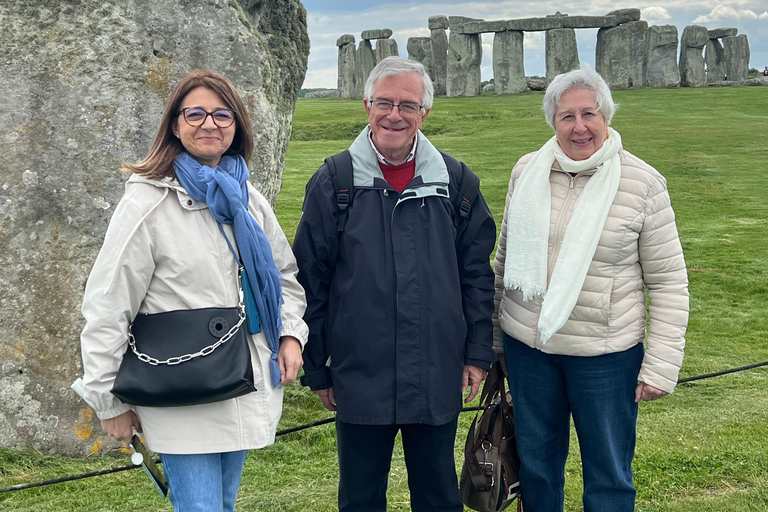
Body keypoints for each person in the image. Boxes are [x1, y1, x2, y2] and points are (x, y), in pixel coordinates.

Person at [79, 69, 308, 512]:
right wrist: (108, 400)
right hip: (181, 388)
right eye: (196, 113)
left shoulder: (247, 199)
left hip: (243, 376)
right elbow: (108, 304)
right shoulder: (146, 205)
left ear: (237, 125)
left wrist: (290, 334)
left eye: (222, 114)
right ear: (175, 124)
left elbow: (283, 276)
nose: (210, 124)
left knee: (221, 504)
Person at [293, 56, 497, 512]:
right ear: (366, 105)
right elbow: (311, 279)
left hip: (436, 367)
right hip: (360, 369)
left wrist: (477, 352)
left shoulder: (457, 182)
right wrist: (318, 367)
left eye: (408, 104)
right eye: (384, 102)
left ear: (425, 113)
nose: (394, 114)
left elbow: (477, 277)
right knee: (361, 497)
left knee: (439, 494)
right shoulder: (335, 181)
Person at [493, 65, 689, 512]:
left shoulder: (642, 183)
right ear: (552, 121)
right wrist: (494, 338)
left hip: (605, 356)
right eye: (567, 116)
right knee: (538, 468)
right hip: (530, 349)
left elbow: (669, 280)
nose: (579, 127)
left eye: (590, 114)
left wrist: (660, 365)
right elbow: (503, 261)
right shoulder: (527, 171)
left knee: (609, 475)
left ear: (606, 117)